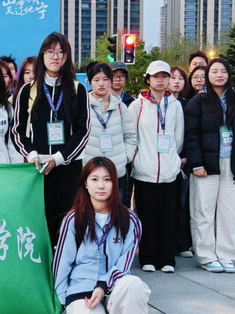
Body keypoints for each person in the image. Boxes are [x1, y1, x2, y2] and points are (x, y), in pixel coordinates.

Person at [52, 157, 149, 314]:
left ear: (115, 183)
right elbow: (62, 262)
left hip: (114, 285)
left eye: (107, 179)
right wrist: (57, 303)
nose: (101, 185)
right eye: (94, 179)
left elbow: (125, 262)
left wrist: (103, 286)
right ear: (86, 184)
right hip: (81, 288)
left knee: (133, 285)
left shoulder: (129, 220)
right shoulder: (73, 219)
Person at [11, 32, 90, 247]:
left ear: (67, 57)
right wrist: (32, 155)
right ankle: (41, 264)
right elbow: (17, 131)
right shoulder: (28, 90)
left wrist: (59, 158)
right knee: (39, 221)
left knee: (67, 221)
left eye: (61, 52)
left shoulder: (78, 90)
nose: (56, 57)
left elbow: (82, 132)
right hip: (37, 168)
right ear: (42, 55)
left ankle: (64, 265)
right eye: (50, 52)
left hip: (68, 167)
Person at [184, 58, 235, 273]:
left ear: (229, 74)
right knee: (203, 213)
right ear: (208, 75)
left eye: (223, 71)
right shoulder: (198, 101)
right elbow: (191, 136)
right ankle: (206, 256)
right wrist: (197, 163)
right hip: (206, 166)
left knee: (229, 214)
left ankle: (226, 255)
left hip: (233, 166)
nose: (219, 75)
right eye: (214, 71)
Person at [129, 60, 183, 273]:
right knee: (147, 216)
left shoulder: (175, 105)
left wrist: (173, 159)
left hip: (169, 171)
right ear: (148, 79)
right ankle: (148, 257)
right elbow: (133, 136)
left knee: (168, 215)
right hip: (144, 170)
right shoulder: (138, 105)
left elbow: (178, 137)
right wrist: (137, 158)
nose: (160, 80)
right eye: (156, 76)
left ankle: (167, 258)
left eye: (164, 76)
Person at [82, 63, 136, 202]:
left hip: (116, 171)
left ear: (111, 81)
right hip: (90, 170)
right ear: (90, 82)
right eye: (96, 79)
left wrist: (125, 158)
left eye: (105, 79)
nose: (101, 83)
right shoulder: (82, 106)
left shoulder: (120, 106)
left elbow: (130, 136)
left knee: (116, 210)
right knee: (89, 210)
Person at [169, 66, 194, 258]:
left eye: (180, 78)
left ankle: (181, 243)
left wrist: (185, 155)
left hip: (183, 161)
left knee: (182, 203)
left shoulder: (189, 104)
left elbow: (190, 133)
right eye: (172, 77)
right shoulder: (159, 104)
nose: (176, 81)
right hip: (162, 160)